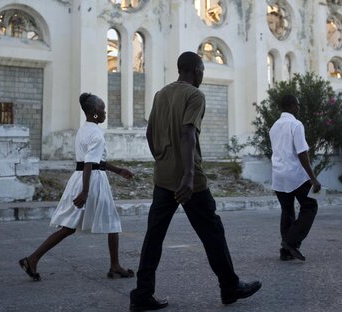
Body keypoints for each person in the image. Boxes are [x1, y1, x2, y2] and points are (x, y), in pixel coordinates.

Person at [129, 52, 261, 311]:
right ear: (195, 70)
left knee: (153, 237)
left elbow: (149, 132)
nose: (202, 75)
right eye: (202, 70)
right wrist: (188, 175)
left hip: (163, 178)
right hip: (190, 181)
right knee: (212, 233)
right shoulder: (195, 95)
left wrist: (161, 157)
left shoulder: (161, 94)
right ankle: (229, 287)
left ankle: (142, 294)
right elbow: (188, 132)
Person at [18, 93, 135, 281]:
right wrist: (86, 192)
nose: (105, 113)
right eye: (103, 109)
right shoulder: (96, 133)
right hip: (92, 181)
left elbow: (94, 162)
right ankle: (115, 266)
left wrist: (118, 170)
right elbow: (90, 163)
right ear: (95, 112)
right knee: (111, 221)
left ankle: (32, 259)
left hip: (81, 178)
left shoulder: (84, 130)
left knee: (69, 227)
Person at [269, 94, 321, 262]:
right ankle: (291, 242)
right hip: (294, 174)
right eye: (297, 105)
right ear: (291, 106)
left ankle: (286, 252)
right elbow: (302, 153)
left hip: (278, 175)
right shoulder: (296, 124)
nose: (299, 108)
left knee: (287, 210)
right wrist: (313, 178)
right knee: (310, 206)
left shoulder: (274, 126)